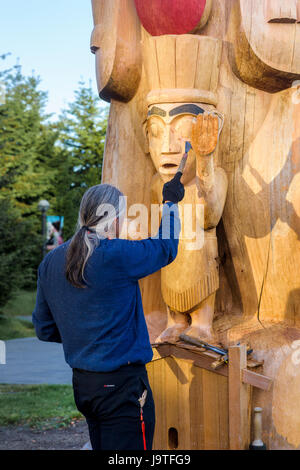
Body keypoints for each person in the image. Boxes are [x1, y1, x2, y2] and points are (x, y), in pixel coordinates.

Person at [32, 169, 185, 451]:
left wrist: (83, 336)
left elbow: (44, 329)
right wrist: (171, 204)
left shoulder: (50, 262)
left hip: (85, 387)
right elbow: (166, 247)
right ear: (115, 218)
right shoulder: (115, 255)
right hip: (122, 388)